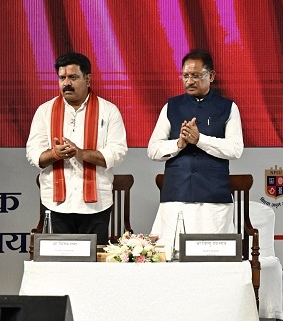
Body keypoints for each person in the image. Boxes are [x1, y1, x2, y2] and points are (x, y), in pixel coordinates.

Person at [25, 52, 128, 245]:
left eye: (73, 77)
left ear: (87, 79)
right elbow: (33, 154)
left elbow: (118, 153)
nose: (66, 83)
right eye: (62, 78)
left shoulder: (109, 110)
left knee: (94, 268)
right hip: (56, 205)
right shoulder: (45, 111)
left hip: (96, 205)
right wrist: (56, 154)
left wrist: (80, 154)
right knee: (62, 267)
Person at [148, 50, 244, 247]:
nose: (189, 81)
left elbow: (235, 149)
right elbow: (153, 150)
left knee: (213, 258)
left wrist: (200, 139)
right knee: (173, 258)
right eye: (185, 76)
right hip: (177, 195)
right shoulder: (171, 106)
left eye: (196, 76)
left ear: (211, 76)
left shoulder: (227, 107)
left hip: (213, 198)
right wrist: (179, 144)